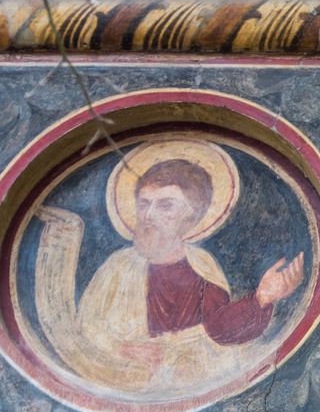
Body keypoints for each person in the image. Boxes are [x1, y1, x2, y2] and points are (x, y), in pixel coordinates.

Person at [39, 156, 305, 392]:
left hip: (187, 376)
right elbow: (86, 327)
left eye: (165, 205)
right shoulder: (117, 266)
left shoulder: (202, 264)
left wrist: (262, 297)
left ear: (192, 215)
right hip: (122, 377)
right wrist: (122, 348)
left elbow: (219, 330)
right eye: (144, 203)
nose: (149, 215)